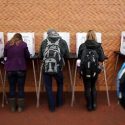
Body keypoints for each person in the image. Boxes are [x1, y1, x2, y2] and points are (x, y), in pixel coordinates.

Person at [39, 29, 69, 112]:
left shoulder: (44, 42)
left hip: (46, 69)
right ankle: (59, 102)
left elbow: (40, 56)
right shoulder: (63, 42)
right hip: (58, 68)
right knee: (60, 84)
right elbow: (67, 55)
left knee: (48, 87)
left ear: (48, 35)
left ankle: (51, 107)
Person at [78, 30, 105, 111]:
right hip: (94, 70)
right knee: (93, 86)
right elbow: (102, 58)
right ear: (95, 36)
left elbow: (79, 57)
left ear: (87, 36)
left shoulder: (82, 46)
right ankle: (94, 104)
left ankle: (89, 105)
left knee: (87, 87)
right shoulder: (98, 46)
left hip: (85, 70)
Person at [4, 33, 30, 112]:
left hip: (10, 69)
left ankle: (12, 107)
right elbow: (27, 56)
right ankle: (20, 108)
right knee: (20, 88)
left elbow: (5, 55)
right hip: (20, 69)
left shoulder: (8, 44)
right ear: (20, 38)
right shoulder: (23, 44)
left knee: (12, 88)